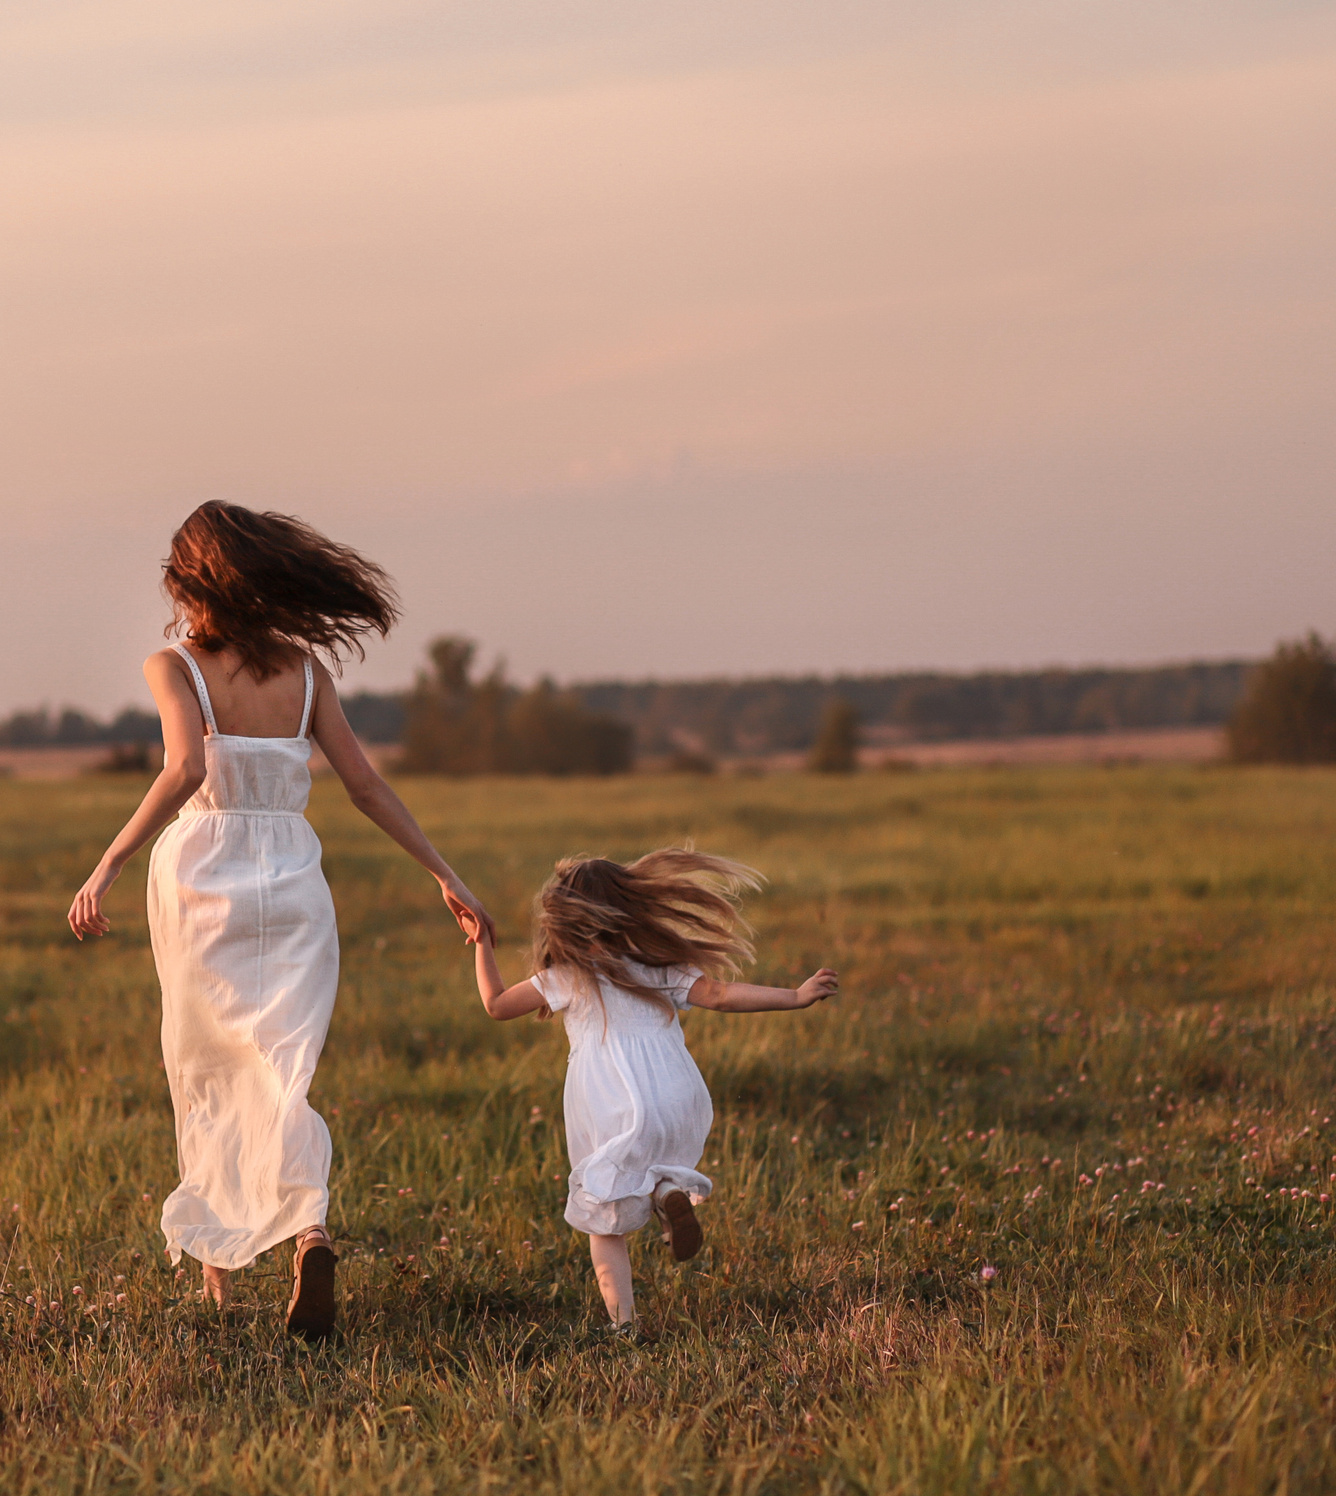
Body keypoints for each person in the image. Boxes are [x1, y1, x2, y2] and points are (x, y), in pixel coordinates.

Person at [69, 501, 495, 1338]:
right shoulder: (305, 673)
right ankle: (310, 1229)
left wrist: (108, 860)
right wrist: (446, 873)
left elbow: (185, 765)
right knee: (281, 1067)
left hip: (202, 880)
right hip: (295, 878)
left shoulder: (175, 666)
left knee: (205, 1065)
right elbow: (368, 788)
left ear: (192, 581)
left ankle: (218, 1285)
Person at [471, 849, 839, 1337]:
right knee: (650, 1166)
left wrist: (480, 942)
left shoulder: (566, 976)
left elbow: (496, 1004)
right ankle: (666, 1192)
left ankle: (625, 1325)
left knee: (604, 1220)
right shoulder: (658, 965)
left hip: (611, 1099)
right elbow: (722, 996)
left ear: (564, 919)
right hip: (674, 1090)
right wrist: (794, 996)